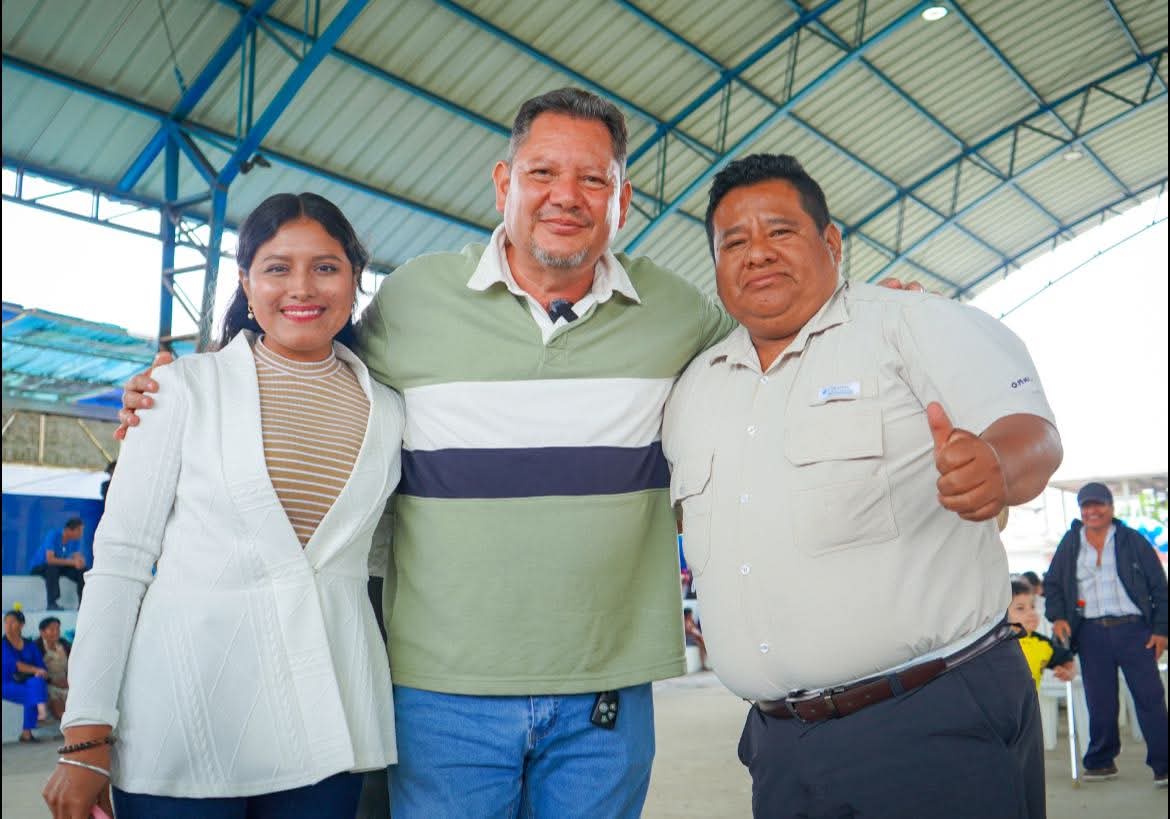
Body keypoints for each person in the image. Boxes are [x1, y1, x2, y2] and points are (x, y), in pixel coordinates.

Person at [114, 91, 921, 817]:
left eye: (593, 178)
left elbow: (777, 352)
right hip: (440, 693)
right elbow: (304, 355)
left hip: (605, 694)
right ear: (504, 182)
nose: (566, 195)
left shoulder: (676, 313)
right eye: (542, 172)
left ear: (623, 200)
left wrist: (871, 320)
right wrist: (187, 388)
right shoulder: (414, 301)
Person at [662, 153, 1063, 818]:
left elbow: (1032, 431)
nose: (757, 253)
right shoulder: (695, 388)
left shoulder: (911, 324)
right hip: (779, 747)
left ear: (831, 241)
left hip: (931, 721)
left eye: (780, 231)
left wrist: (996, 465)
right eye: (733, 242)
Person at [42, 192, 405, 819]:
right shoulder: (181, 389)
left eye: (325, 267)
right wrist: (85, 735)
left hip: (327, 726)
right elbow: (121, 561)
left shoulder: (390, 412)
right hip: (184, 720)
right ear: (245, 281)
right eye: (277, 267)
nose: (302, 287)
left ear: (355, 279)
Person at [1043, 481, 1168, 787]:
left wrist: (1162, 631)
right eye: (1086, 506)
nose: (1092, 511)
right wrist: (1058, 617)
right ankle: (1101, 762)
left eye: (1098, 504)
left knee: (1150, 697)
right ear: (1080, 510)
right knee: (1100, 701)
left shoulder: (1132, 540)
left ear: (1111, 507)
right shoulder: (1071, 543)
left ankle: (1164, 764)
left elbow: (1159, 588)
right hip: (1090, 632)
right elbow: (1053, 584)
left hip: (1134, 630)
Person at [1007, 579, 1075, 688]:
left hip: (1032, 699)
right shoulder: (994, 644)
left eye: (1032, 607)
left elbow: (1067, 658)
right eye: (1020, 608)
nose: (1031, 613)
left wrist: (1069, 672)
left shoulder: (1044, 645)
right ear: (1002, 614)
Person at [2, 609, 50, 743]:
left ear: (21, 625)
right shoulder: (3, 645)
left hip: (26, 683)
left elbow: (41, 667)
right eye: (6, 622)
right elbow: (15, 665)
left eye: (12, 622)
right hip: (6, 683)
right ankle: (40, 712)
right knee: (34, 691)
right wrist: (35, 670)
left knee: (36, 683)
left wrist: (40, 672)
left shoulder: (30, 645)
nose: (8, 625)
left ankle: (27, 734)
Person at [29, 517, 87, 610]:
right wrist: (73, 562)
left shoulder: (74, 541)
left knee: (83, 571)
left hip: (58, 567)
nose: (81, 533)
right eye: (79, 530)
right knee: (52, 567)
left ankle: (83, 603)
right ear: (69, 530)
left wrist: (80, 561)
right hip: (40, 566)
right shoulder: (53, 535)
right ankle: (52, 603)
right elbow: (50, 559)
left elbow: (74, 556)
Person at [35, 616, 71, 720]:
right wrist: (53, 681)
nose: (56, 632)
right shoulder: (36, 647)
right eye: (52, 629)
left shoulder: (64, 644)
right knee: (61, 714)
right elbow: (34, 671)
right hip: (49, 685)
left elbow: (75, 663)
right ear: (42, 632)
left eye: (58, 629)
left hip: (67, 683)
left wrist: (69, 680)